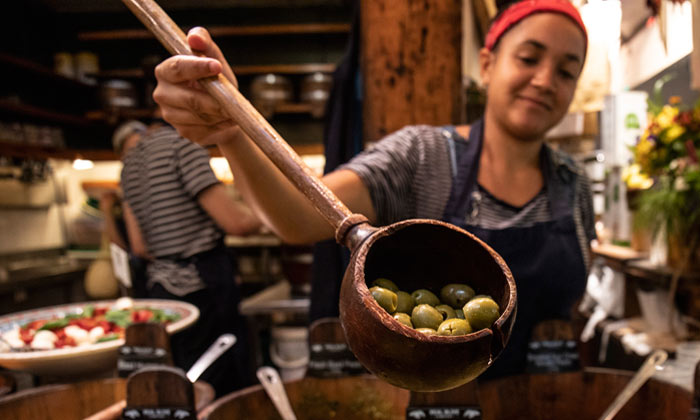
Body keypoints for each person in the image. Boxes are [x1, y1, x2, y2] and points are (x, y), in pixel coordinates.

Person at [152, 0, 594, 379]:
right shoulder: (423, 155)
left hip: (544, 400)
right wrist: (233, 133)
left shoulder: (573, 185)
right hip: (432, 405)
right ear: (487, 63)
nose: (544, 80)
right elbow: (298, 216)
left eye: (566, 71)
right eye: (529, 58)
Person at [113, 116, 263, 394]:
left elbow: (139, 247)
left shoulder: (129, 165)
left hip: (161, 290)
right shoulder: (184, 146)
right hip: (203, 284)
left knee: (183, 386)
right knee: (220, 384)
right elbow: (236, 224)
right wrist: (273, 216)